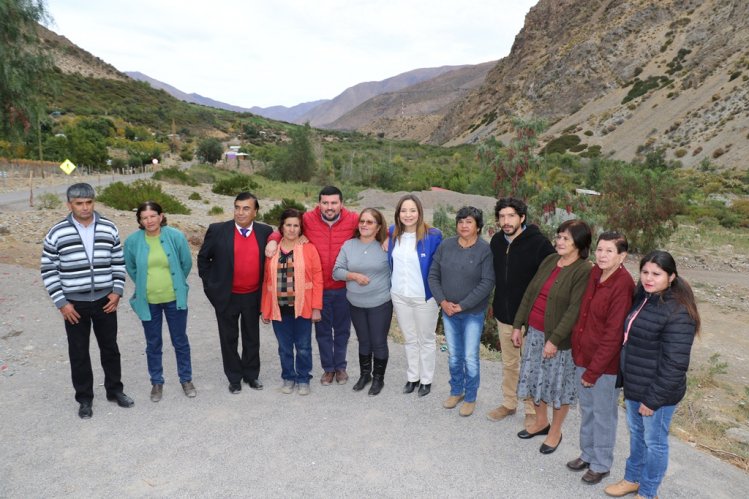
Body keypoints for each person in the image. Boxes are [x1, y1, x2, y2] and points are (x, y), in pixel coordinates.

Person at [605, 251, 700, 499]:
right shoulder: (644, 298)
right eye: (645, 272)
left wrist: (653, 399)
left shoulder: (678, 312)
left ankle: (648, 492)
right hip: (636, 384)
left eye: (656, 274)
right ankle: (632, 479)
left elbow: (675, 364)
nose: (648, 278)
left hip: (658, 393)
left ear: (671, 277)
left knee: (655, 443)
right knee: (637, 436)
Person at [41, 183, 133, 419]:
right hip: (74, 305)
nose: (84, 207)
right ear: (69, 204)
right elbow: (49, 269)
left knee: (110, 349)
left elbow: (118, 263)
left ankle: (115, 391)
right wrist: (62, 303)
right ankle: (84, 399)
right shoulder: (57, 232)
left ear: (94, 202)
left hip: (105, 300)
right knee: (79, 353)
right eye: (79, 203)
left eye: (89, 202)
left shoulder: (108, 228)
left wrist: (117, 291)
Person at [512, 219, 592, 454]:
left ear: (579, 243)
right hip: (535, 333)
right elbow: (530, 293)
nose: (559, 241)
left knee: (557, 387)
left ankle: (555, 430)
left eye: (566, 238)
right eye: (558, 236)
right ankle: (540, 422)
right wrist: (518, 325)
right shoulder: (549, 260)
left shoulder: (583, 270)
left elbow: (574, 310)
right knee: (537, 378)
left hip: (558, 341)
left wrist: (554, 340)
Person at [267, 186, 358, 385]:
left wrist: (386, 239)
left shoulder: (353, 219)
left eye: (334, 203)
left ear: (341, 204)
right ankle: (328, 369)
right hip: (318, 288)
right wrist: (273, 240)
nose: (329, 207)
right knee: (323, 332)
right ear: (319, 203)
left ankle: (340, 367)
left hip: (344, 287)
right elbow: (284, 228)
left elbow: (374, 226)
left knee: (342, 330)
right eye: (325, 203)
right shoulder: (307, 219)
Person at [567, 232, 635, 485]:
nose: (603, 255)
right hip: (584, 356)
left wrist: (593, 371)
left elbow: (614, 334)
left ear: (622, 256)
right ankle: (587, 454)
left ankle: (601, 464)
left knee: (604, 414)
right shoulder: (596, 273)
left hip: (604, 366)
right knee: (587, 410)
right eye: (600, 249)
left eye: (609, 251)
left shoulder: (623, 284)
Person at [487, 197, 554, 424]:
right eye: (502, 216)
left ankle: (532, 410)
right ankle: (508, 403)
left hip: (530, 319)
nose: (506, 221)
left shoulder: (539, 244)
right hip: (504, 316)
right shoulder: (496, 241)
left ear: (522, 217)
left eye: (511, 216)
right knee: (509, 363)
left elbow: (553, 277)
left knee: (531, 365)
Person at [197, 192, 272, 394]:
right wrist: (212, 287)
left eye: (246, 208)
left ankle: (251, 375)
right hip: (227, 296)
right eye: (237, 207)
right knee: (228, 338)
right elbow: (203, 260)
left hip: (253, 296)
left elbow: (288, 236)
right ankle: (234, 377)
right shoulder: (218, 230)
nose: (240, 212)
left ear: (255, 212)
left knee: (251, 338)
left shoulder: (266, 232)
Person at [124, 201, 196, 402]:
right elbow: (131, 268)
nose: (149, 221)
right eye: (144, 218)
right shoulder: (132, 241)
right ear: (139, 220)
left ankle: (186, 379)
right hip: (148, 302)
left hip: (174, 299)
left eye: (153, 216)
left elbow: (186, 263)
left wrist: (177, 283)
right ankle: (156, 382)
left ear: (161, 216)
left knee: (180, 340)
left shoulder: (175, 236)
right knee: (153, 343)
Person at [429, 206, 495, 417]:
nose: (464, 226)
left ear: (478, 226)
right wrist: (443, 302)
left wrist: (463, 305)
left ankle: (470, 397)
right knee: (454, 356)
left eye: (469, 222)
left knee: (469, 356)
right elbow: (433, 275)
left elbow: (487, 282)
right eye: (460, 221)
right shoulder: (446, 246)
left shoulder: (484, 250)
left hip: (472, 313)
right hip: (448, 311)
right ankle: (456, 390)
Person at [260, 209, 323, 396]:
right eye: (288, 225)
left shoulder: (308, 248)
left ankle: (303, 378)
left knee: (303, 346)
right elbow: (266, 281)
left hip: (302, 307)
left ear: (301, 228)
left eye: (296, 225)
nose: (292, 229)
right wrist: (265, 308)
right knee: (284, 348)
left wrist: (316, 308)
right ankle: (288, 377)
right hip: (279, 308)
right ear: (282, 227)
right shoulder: (272, 250)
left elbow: (318, 278)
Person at [387, 194, 442, 397]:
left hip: (424, 298)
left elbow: (438, 267)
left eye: (412, 210)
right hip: (400, 295)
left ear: (419, 212)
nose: (408, 215)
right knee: (409, 339)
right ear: (398, 213)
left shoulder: (433, 235)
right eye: (403, 210)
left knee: (426, 339)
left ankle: (426, 380)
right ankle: (413, 377)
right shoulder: (392, 232)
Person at [333, 208, 392, 396]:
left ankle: (378, 379)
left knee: (378, 342)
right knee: (363, 341)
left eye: (370, 222)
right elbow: (336, 272)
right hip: (355, 303)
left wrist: (391, 236)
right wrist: (353, 276)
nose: (364, 225)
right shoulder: (349, 245)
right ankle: (365, 375)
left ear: (378, 227)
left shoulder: (386, 246)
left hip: (380, 303)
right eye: (362, 221)